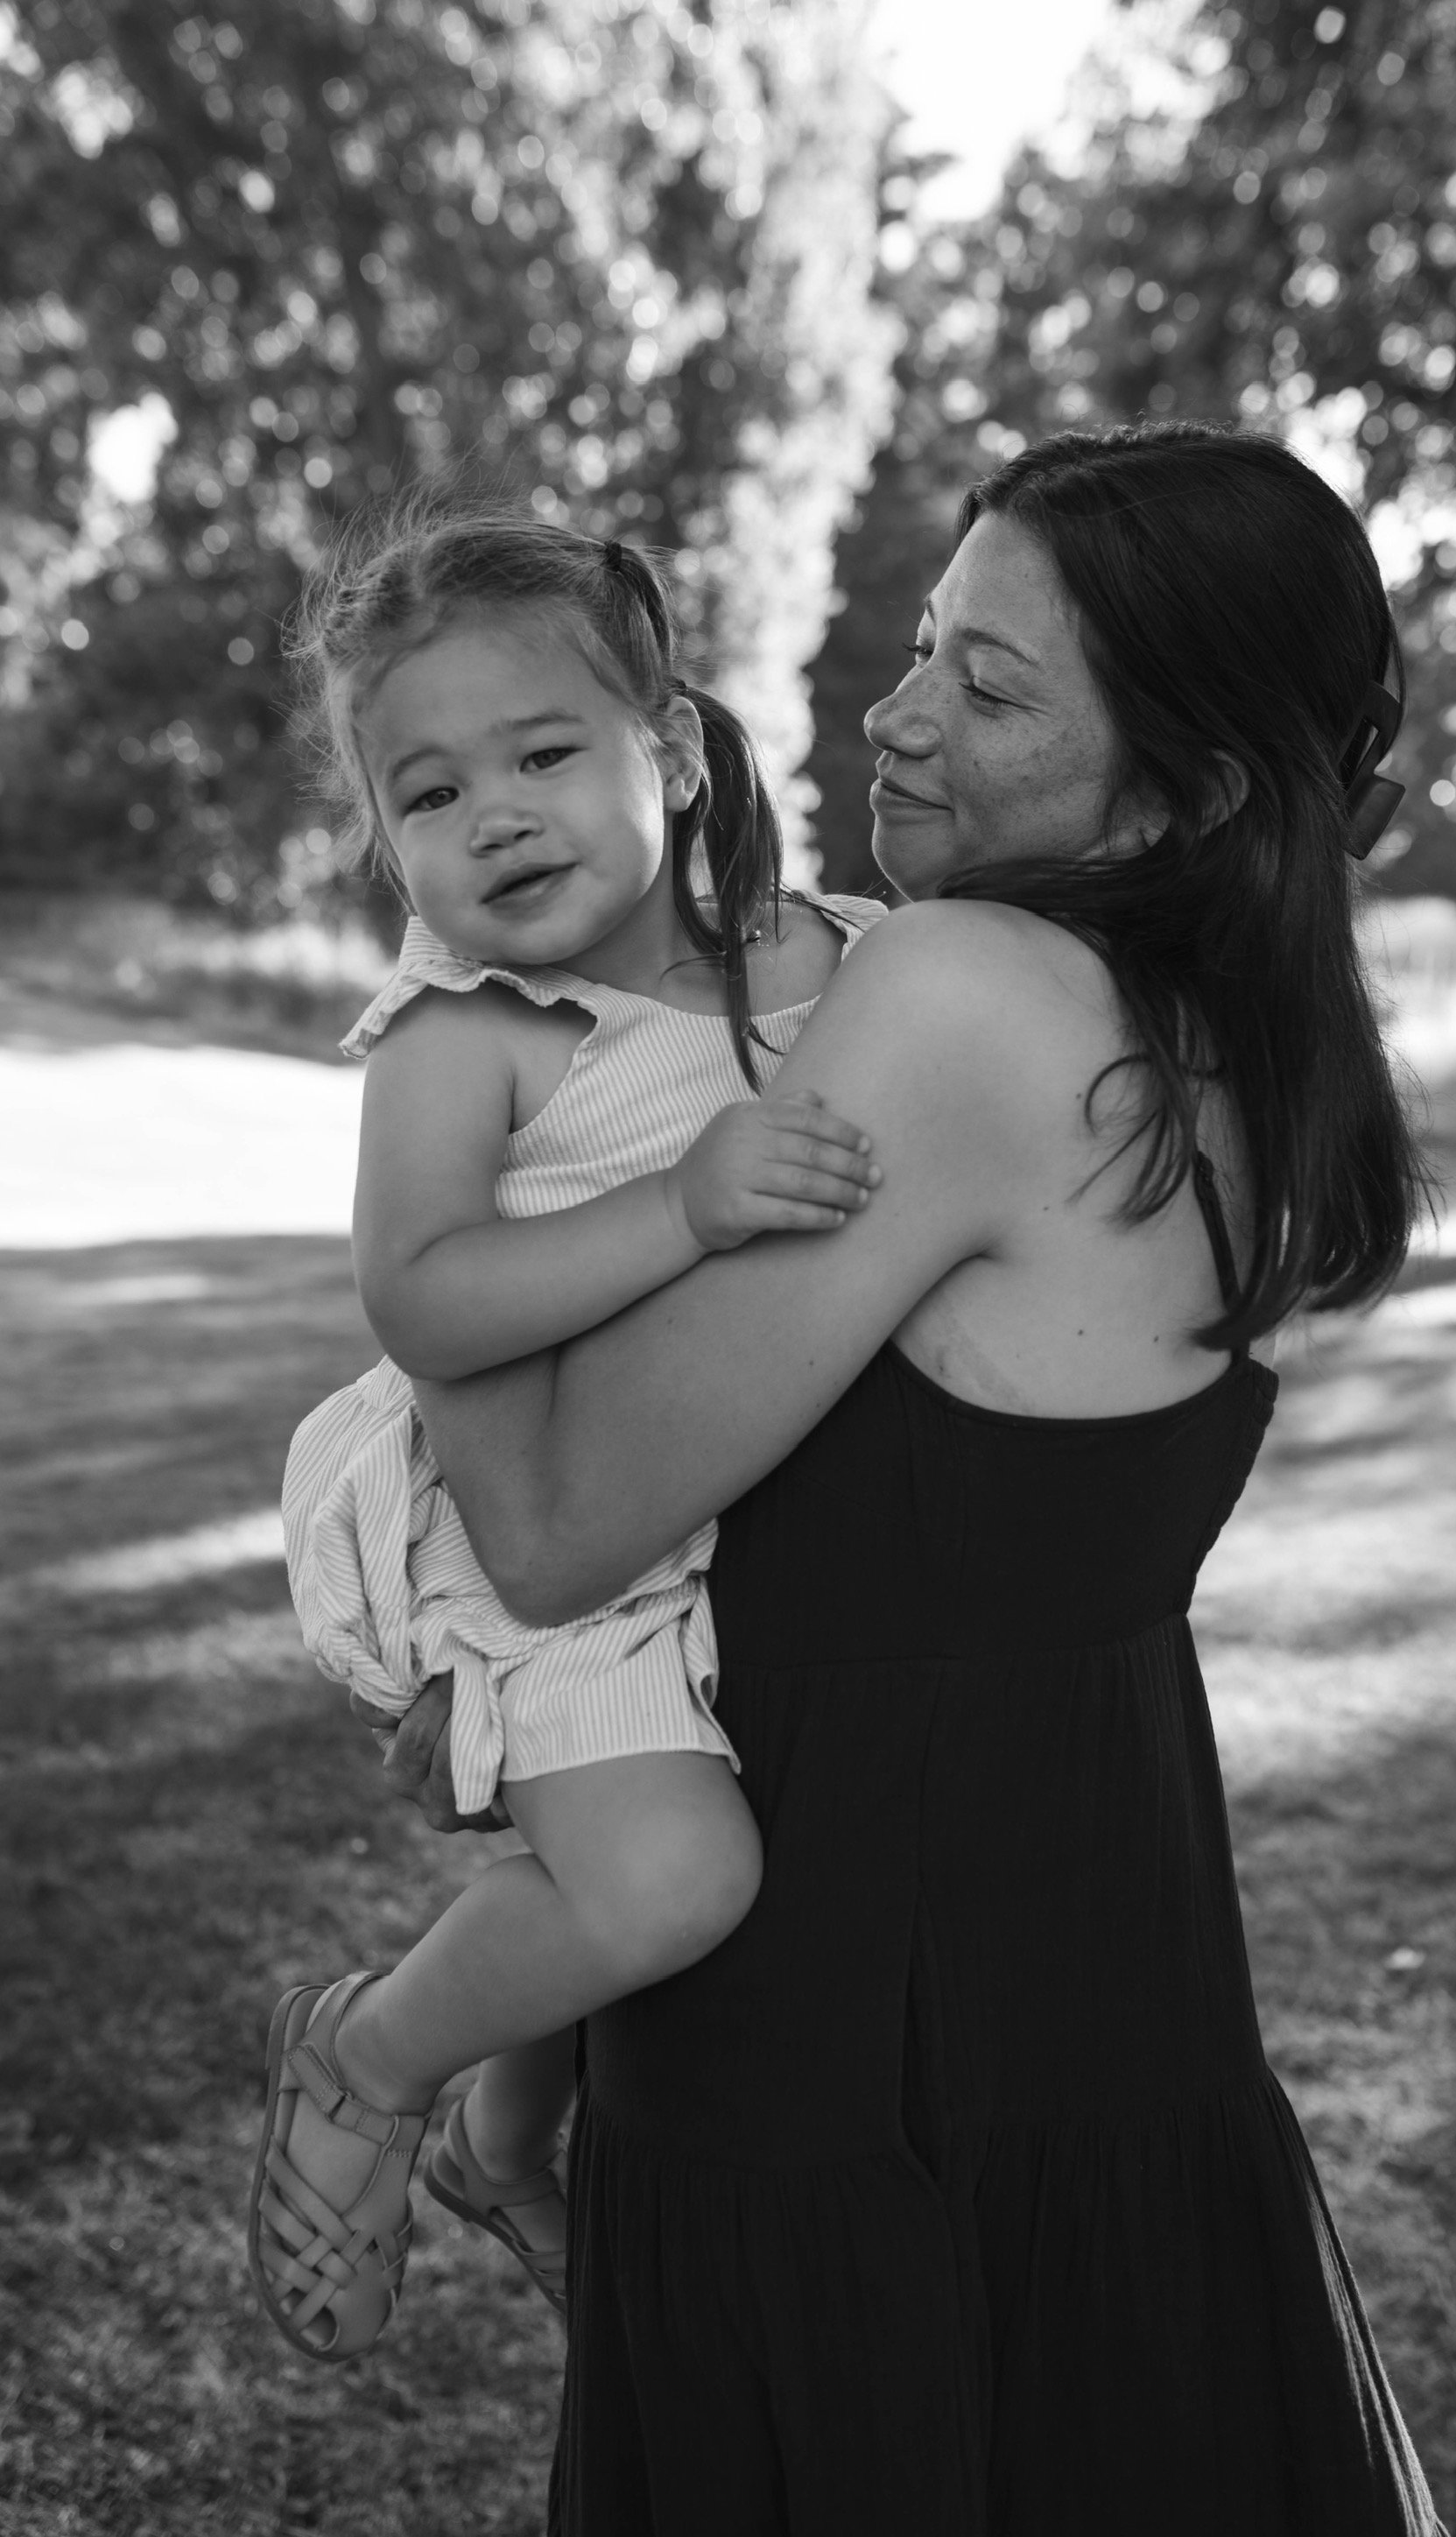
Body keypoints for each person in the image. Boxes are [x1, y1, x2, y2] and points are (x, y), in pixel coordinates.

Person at [384, 420, 1448, 2533]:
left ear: (1192, 787)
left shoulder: (963, 992)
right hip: (1108, 1955)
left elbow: (553, 1523)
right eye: (931, 644)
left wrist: (450, 1211)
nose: (896, 710)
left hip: (856, 2022)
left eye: (990, 683)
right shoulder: (1232, 1037)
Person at [248, 504, 885, 2362]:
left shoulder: (832, 955)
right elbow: (425, 1296)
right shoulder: (472, 1032)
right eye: (429, 794)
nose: (496, 817)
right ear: (383, 837)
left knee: (643, 1879)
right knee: (671, 1876)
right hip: (536, 1543)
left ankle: (502, 2140)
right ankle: (367, 2057)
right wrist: (681, 1208)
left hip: (727, 1504)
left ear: (673, 752)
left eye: (543, 755)